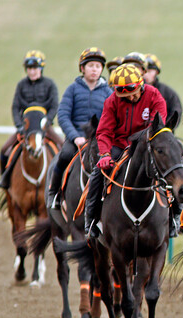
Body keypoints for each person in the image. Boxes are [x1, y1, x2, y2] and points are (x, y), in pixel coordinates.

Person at [83, 64, 167, 239]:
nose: (130, 98)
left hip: (146, 145)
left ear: (141, 85)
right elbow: (104, 131)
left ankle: (174, 217)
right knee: (97, 173)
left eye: (133, 94)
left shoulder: (154, 95)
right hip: (118, 146)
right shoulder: (112, 101)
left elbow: (157, 124)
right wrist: (105, 154)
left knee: (169, 165)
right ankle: (90, 220)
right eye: (125, 96)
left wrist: (138, 143)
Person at [47, 47, 112, 209]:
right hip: (76, 137)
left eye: (98, 66)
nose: (94, 70)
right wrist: (75, 136)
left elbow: (111, 118)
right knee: (64, 155)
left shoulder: (108, 92)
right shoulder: (73, 89)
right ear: (82, 68)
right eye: (91, 66)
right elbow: (63, 115)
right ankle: (54, 193)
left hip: (99, 139)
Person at [0, 50, 62, 189]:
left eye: (35, 68)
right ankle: (5, 177)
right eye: (29, 68)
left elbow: (54, 106)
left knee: (62, 146)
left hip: (44, 126)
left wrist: (47, 122)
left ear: (41, 68)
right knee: (4, 149)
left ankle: (62, 180)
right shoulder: (21, 85)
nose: (32, 71)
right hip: (26, 127)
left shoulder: (50, 84)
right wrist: (19, 125)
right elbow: (15, 107)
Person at [143, 53, 182, 124]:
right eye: (145, 71)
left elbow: (176, 111)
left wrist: (166, 127)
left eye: (149, 71)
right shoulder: (135, 93)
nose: (146, 75)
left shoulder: (168, 92)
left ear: (157, 72)